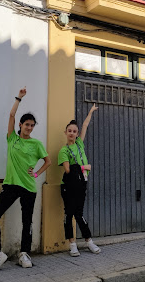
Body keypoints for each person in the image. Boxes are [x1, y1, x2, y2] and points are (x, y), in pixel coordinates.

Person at [0, 87, 51, 274]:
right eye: (26, 124)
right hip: (12, 186)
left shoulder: (36, 144)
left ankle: (24, 254)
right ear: (20, 125)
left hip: (29, 188)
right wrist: (19, 98)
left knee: (27, 222)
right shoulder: (12, 139)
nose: (29, 128)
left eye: (32, 125)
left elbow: (48, 161)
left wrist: (37, 174)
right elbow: (12, 116)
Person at [58, 103, 101, 257]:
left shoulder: (79, 143)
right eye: (69, 131)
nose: (72, 133)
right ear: (66, 132)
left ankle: (89, 241)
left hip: (81, 183)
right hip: (68, 185)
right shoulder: (63, 150)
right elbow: (68, 170)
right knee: (69, 214)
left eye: (74, 131)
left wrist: (90, 112)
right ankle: (72, 244)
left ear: (77, 134)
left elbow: (85, 125)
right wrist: (84, 167)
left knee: (79, 214)